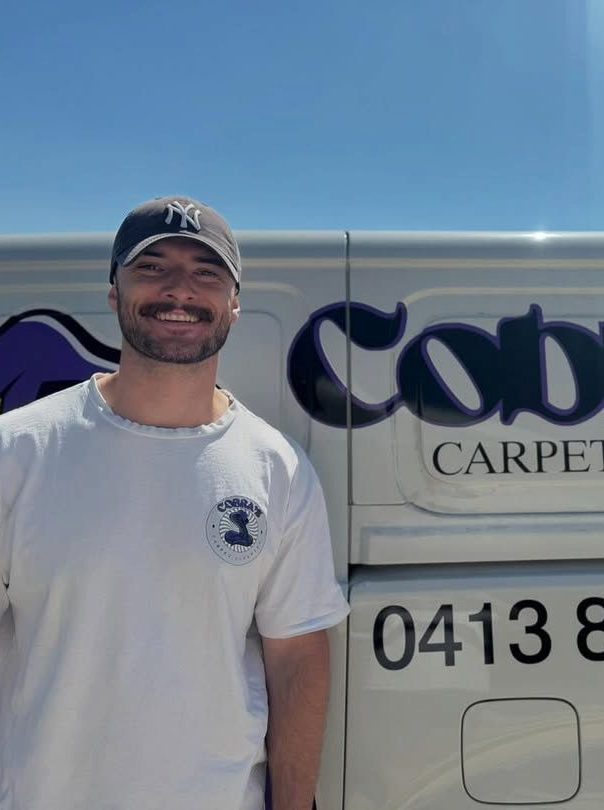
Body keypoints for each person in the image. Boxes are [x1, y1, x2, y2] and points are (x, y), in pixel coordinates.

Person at [0, 196, 350, 810]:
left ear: (234, 303)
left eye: (207, 272)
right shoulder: (18, 449)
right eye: (152, 267)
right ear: (114, 292)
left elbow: (296, 657)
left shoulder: (279, 469)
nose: (179, 290)